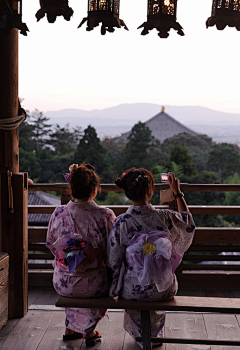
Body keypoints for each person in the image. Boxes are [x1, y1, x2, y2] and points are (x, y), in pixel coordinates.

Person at [107, 168, 195, 348]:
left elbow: (113, 259)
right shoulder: (164, 217)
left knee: (134, 290)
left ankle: (142, 336)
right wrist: (177, 193)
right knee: (158, 286)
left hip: (134, 290)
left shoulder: (122, 222)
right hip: (162, 288)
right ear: (150, 190)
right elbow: (188, 225)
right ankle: (154, 335)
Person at [46, 163, 116, 345]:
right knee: (98, 277)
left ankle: (70, 329)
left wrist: (72, 258)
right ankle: (88, 331)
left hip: (63, 282)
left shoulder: (58, 213)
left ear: (72, 188)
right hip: (94, 284)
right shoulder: (105, 215)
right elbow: (114, 251)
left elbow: (51, 245)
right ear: (94, 190)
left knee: (72, 268)